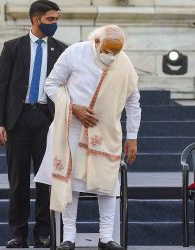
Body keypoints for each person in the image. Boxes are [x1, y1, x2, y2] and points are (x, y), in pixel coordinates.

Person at [34, 24, 141, 250]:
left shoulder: (124, 62)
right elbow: (51, 85)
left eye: (116, 52)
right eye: (108, 51)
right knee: (71, 183)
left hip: (106, 131)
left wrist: (132, 136)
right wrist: (73, 108)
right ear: (96, 43)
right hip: (73, 127)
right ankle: (69, 237)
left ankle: (106, 237)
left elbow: (133, 100)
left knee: (108, 183)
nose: (112, 57)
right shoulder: (75, 53)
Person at [0, 0, 67, 247]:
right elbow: (1, 87)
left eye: (56, 19)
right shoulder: (13, 47)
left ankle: (44, 232)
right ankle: (18, 233)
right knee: (18, 179)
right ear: (36, 19)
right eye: (51, 20)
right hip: (18, 120)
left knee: (46, 179)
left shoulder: (61, 49)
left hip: (47, 119)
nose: (55, 24)